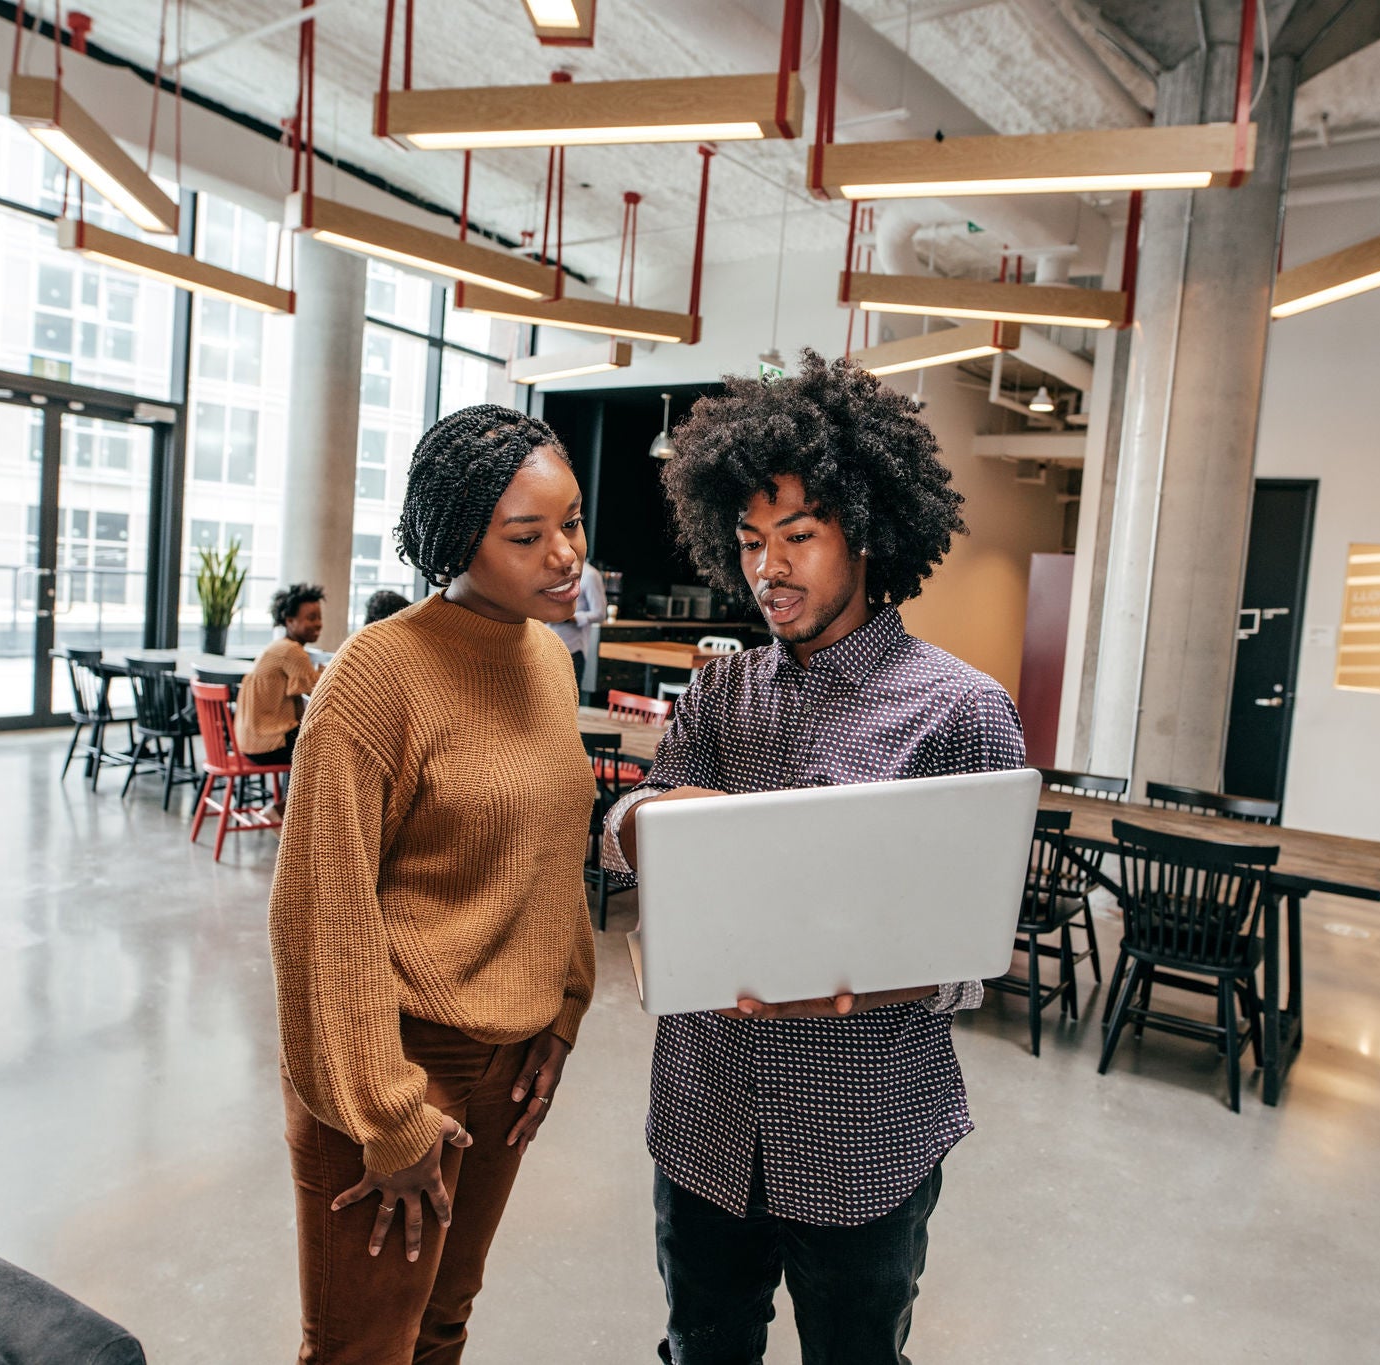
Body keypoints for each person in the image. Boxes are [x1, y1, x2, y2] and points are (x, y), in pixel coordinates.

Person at [601, 351, 1026, 1365]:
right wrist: (638, 823)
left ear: (867, 533)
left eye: (798, 536)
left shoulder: (960, 713)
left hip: (860, 1133)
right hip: (704, 1117)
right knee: (700, 1349)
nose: (767, 569)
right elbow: (624, 844)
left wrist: (855, 989)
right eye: (749, 541)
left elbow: (969, 961)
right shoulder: (717, 695)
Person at [270, 404, 597, 1365]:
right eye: (527, 536)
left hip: (508, 1062)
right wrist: (386, 1108)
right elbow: (321, 918)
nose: (564, 556)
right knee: (361, 1347)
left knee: (445, 1321)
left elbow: (552, 851)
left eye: (571, 522)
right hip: (393, 1061)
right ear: (459, 539)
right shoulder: (379, 674)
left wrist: (563, 1008)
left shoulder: (546, 659)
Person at [236, 582, 324, 767]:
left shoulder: (277, 646)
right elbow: (319, 693)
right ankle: (296, 796)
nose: (318, 624)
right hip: (267, 743)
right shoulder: (291, 651)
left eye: (319, 617)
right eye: (311, 618)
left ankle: (291, 796)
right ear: (289, 620)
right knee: (329, 748)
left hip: (248, 740)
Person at [545, 559, 606, 699]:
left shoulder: (590, 575)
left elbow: (600, 613)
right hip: (545, 646)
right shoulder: (550, 570)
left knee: (568, 701)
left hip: (572, 648)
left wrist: (569, 618)